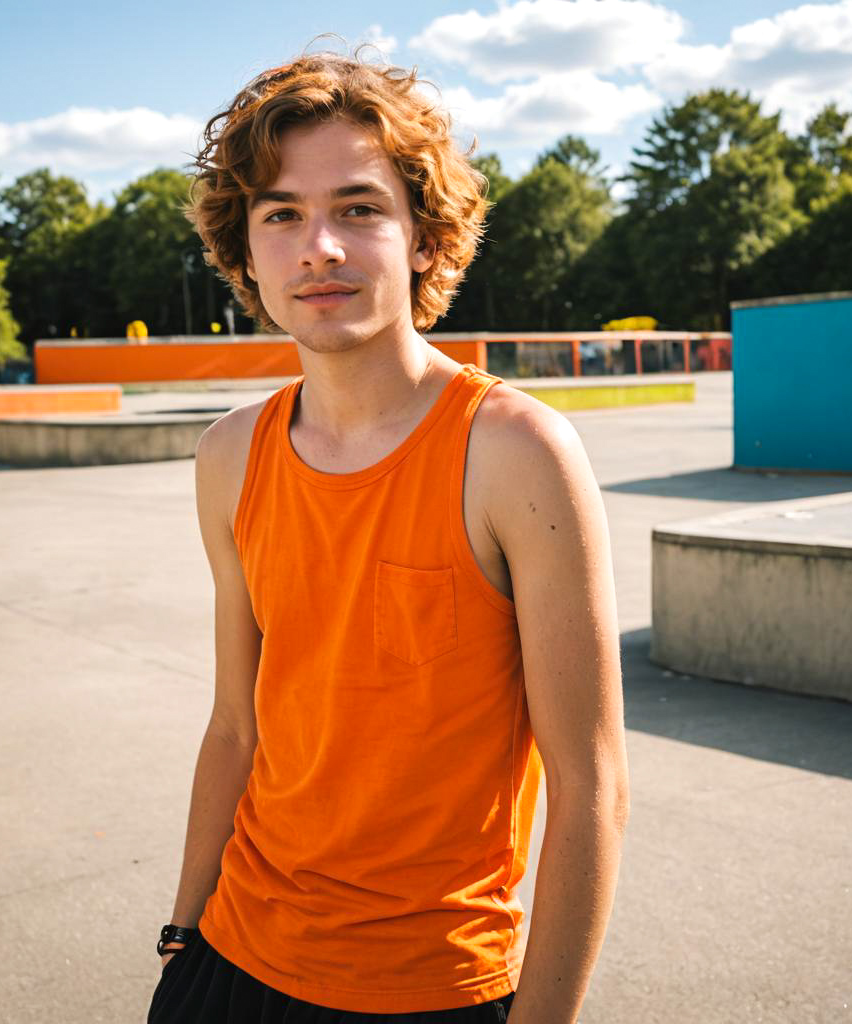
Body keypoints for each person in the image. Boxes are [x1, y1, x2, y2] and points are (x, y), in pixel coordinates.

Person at [147, 49, 629, 1024]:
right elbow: (237, 727)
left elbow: (591, 783)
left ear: (421, 236)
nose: (317, 244)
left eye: (359, 207)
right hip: (229, 961)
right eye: (280, 213)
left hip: (429, 989)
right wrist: (181, 931)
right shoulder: (229, 455)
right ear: (247, 254)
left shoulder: (514, 451)